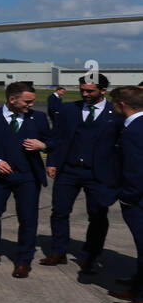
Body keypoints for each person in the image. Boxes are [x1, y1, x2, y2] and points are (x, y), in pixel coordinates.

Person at [41, 72, 121, 272]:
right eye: (82, 90)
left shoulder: (116, 112)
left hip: (98, 174)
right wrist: (51, 162)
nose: (85, 94)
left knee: (97, 216)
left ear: (103, 90)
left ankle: (90, 256)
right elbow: (57, 138)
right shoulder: (69, 109)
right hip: (69, 170)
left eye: (90, 91)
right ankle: (58, 251)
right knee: (59, 212)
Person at [0, 81, 51, 277]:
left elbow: (54, 140)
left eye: (32, 102)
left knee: (28, 219)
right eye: (27, 101)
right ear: (12, 99)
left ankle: (23, 260)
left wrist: (43, 145)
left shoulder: (39, 118)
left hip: (28, 177)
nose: (31, 105)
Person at [107, 86, 143, 303]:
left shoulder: (133, 131)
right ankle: (136, 288)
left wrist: (127, 198)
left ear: (121, 104)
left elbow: (137, 171)